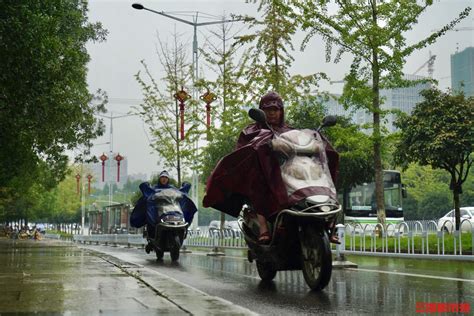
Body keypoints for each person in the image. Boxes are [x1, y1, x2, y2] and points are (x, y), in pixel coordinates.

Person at [236, 91, 292, 244]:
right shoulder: (250, 131)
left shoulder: (290, 131)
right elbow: (242, 154)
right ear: (261, 111)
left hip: (289, 173)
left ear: (281, 111)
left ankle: (327, 225)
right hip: (263, 175)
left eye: (275, 110)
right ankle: (263, 228)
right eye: (268, 110)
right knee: (259, 182)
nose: (272, 113)